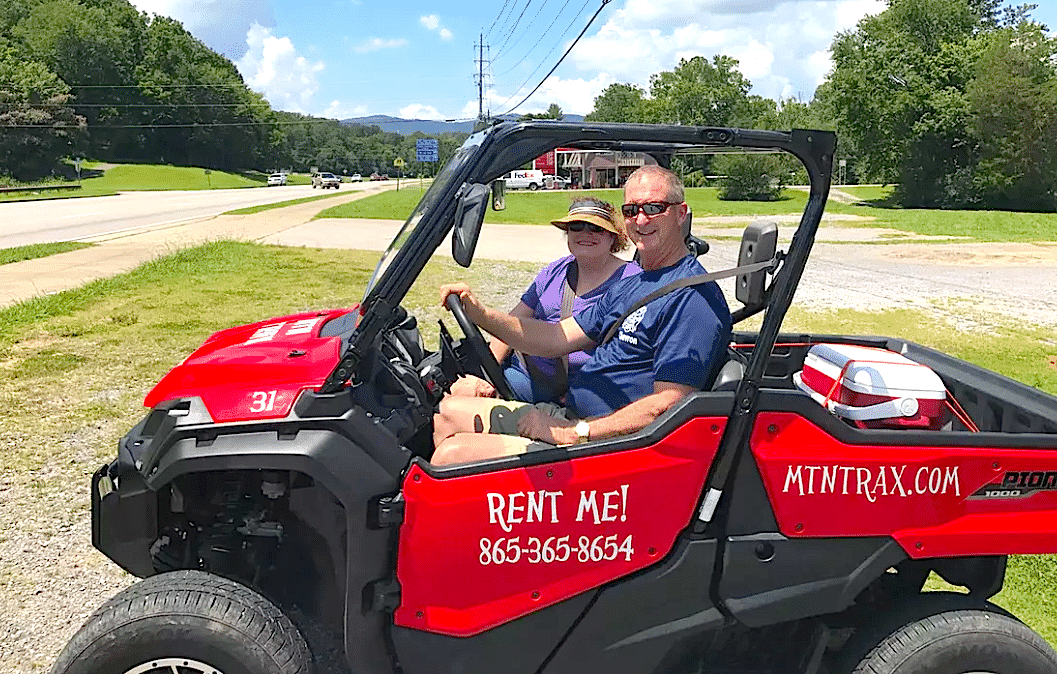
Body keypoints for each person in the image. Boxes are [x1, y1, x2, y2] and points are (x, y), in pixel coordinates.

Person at [432, 165, 732, 466]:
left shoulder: (692, 298)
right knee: (446, 414)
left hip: (613, 447)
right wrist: (480, 313)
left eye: (655, 208)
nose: (641, 220)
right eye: (631, 210)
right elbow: (554, 338)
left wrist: (575, 432)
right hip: (575, 422)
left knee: (452, 455)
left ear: (681, 214)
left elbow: (669, 406)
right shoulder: (635, 284)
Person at [450, 197, 641, 403]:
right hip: (523, 372)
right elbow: (512, 322)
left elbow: (630, 360)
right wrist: (484, 376)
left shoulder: (632, 282)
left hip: (579, 394)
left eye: (596, 228)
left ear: (613, 237)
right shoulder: (555, 271)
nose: (586, 234)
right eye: (576, 226)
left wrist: (580, 397)